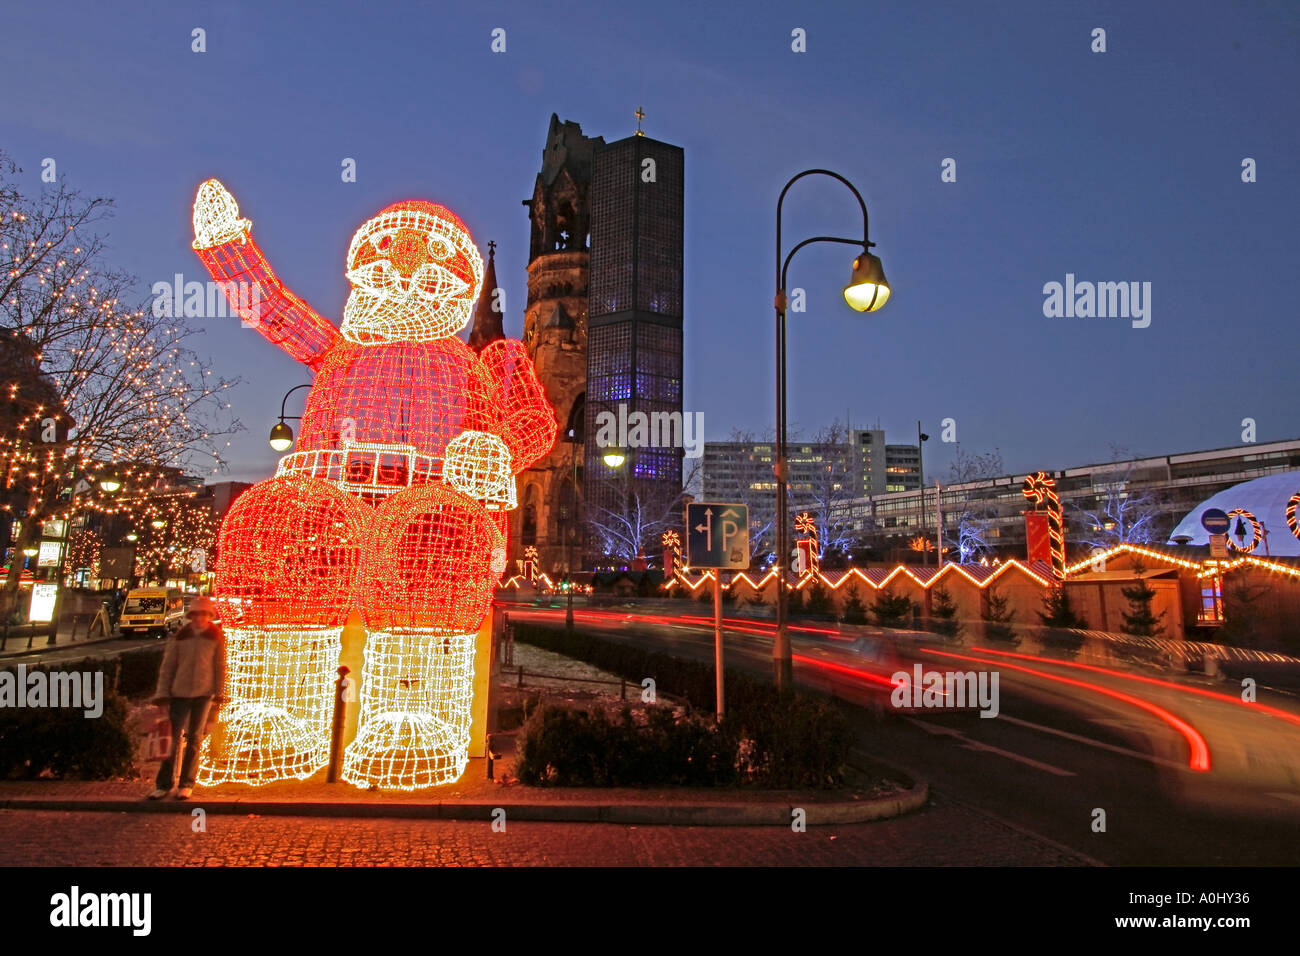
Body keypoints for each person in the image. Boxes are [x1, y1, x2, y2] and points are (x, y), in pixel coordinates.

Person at [148, 596, 226, 800]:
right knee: (171, 740)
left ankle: (186, 783)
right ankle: (164, 783)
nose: (200, 618)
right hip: (179, 691)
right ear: (192, 616)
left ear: (209, 616)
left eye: (204, 614)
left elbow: (220, 666)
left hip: (203, 693)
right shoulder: (182, 636)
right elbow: (168, 666)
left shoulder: (215, 637)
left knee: (194, 738)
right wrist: (163, 692)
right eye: (197, 614)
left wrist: (219, 693)